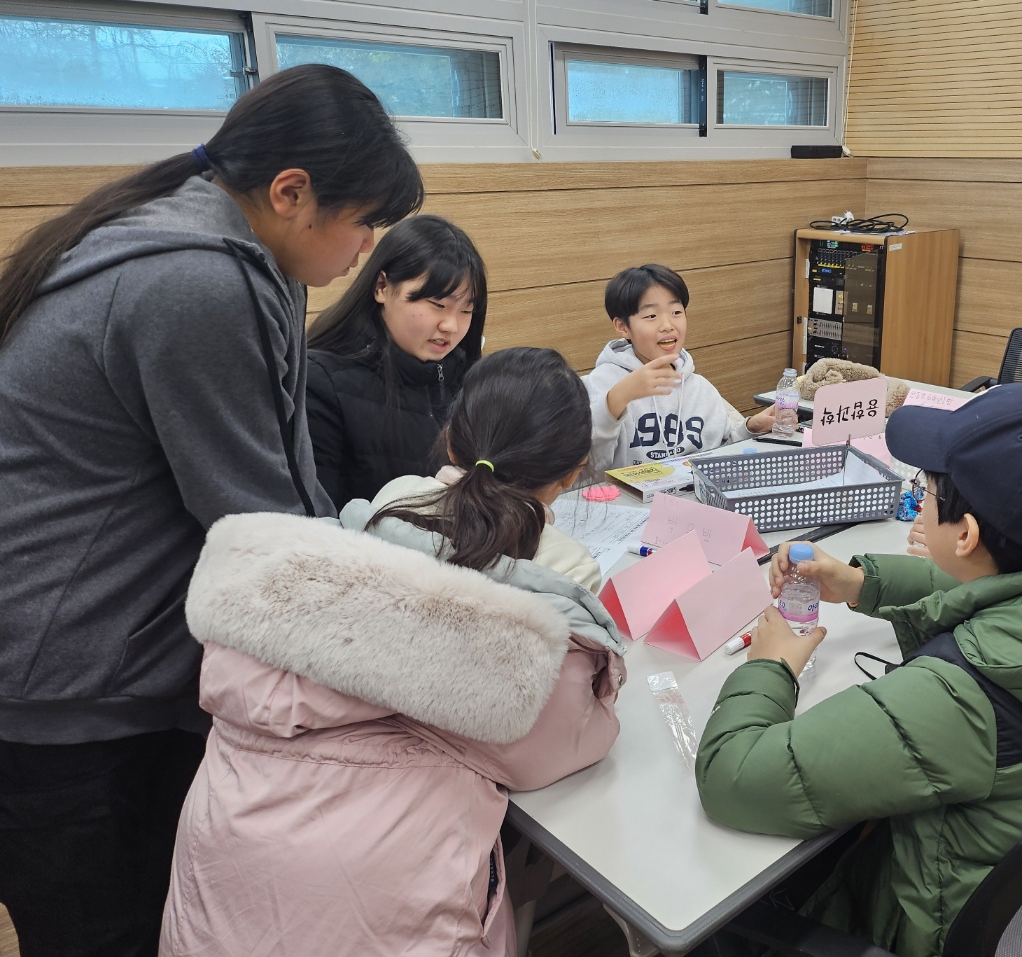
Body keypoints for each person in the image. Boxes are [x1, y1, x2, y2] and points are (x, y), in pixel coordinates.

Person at [0, 63, 423, 957]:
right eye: (366, 224)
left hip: (80, 668)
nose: (366, 250)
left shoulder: (209, 242)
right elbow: (264, 529)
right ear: (292, 193)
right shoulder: (196, 280)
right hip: (63, 697)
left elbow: (290, 486)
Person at [694, 384, 1022, 957]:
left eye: (925, 490)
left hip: (936, 921)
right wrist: (859, 582)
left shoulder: (961, 696)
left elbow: (734, 778)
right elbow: (1016, 593)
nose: (921, 500)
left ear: (965, 534)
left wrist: (770, 668)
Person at [161, 346, 624, 957]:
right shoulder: (559, 590)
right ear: (572, 473)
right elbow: (568, 743)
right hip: (384, 914)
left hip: (219, 879)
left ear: (452, 439)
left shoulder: (366, 520)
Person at [306, 214, 488, 508]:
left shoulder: (468, 377)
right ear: (381, 287)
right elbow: (318, 517)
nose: (451, 326)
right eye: (438, 305)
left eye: (467, 311)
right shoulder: (322, 383)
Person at [585, 263, 775, 469]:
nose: (668, 325)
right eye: (651, 316)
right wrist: (618, 398)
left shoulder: (699, 388)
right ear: (622, 326)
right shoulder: (602, 383)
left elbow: (719, 454)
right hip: (624, 499)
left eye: (676, 312)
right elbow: (587, 466)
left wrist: (749, 430)